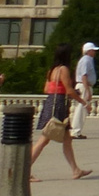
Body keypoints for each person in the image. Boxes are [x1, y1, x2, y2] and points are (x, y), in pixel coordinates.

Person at [30, 43, 91, 180]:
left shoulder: (52, 70)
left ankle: (75, 170)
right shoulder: (64, 69)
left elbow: (46, 89)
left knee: (67, 140)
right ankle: (25, 170)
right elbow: (69, 90)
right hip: (58, 106)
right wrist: (83, 103)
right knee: (44, 139)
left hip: (51, 102)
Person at [70, 42, 99, 140]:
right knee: (81, 109)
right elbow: (84, 76)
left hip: (84, 85)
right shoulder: (86, 60)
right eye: (93, 50)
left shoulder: (87, 60)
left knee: (81, 109)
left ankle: (76, 130)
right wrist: (87, 91)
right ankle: (75, 131)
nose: (95, 52)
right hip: (84, 86)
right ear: (89, 51)